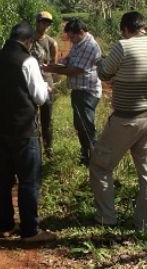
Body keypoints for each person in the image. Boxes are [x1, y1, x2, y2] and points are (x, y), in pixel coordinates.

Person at [90, 11, 147, 232]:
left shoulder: (123, 46)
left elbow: (104, 74)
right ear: (144, 27)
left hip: (126, 119)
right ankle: (144, 225)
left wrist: (102, 63)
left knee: (100, 165)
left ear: (126, 29)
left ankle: (106, 217)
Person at [0, 22, 56, 242]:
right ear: (28, 42)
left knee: (3, 176)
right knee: (28, 180)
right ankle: (30, 230)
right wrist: (46, 88)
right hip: (24, 129)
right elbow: (39, 97)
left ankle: (5, 225)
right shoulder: (28, 61)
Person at [42, 19, 102, 166]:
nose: (71, 40)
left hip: (87, 91)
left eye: (72, 37)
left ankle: (93, 158)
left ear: (81, 33)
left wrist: (52, 69)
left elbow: (74, 70)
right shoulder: (78, 44)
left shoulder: (89, 46)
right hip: (79, 90)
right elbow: (67, 61)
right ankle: (86, 154)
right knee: (80, 124)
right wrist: (54, 64)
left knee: (86, 126)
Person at [30, 11, 58, 157]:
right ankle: (34, 148)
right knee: (31, 117)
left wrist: (51, 82)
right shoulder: (28, 40)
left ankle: (48, 148)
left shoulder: (52, 42)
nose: (46, 25)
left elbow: (53, 64)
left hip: (46, 83)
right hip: (30, 84)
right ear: (37, 22)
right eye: (43, 22)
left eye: (48, 23)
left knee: (47, 118)